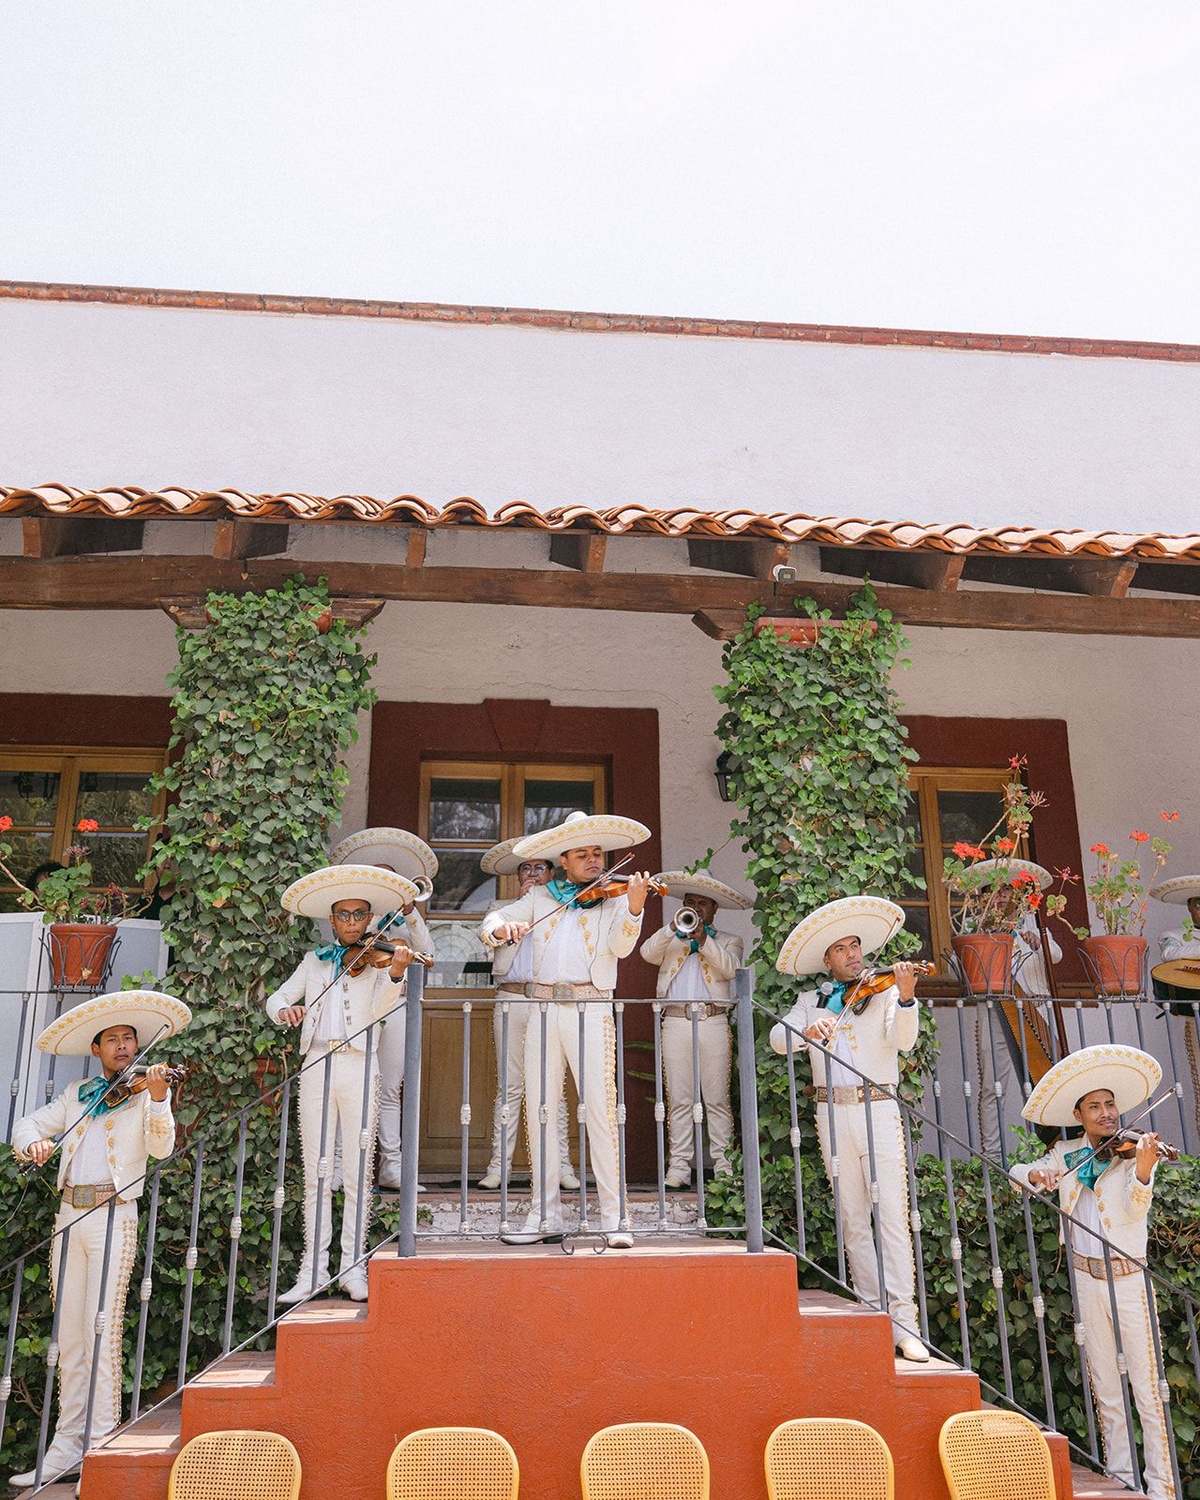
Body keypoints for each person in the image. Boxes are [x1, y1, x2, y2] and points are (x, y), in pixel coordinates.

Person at [9, 988, 191, 1488]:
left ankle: (101, 1440)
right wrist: (36, 1143)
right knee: (69, 1332)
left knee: (101, 1327)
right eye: (113, 1040)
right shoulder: (76, 1097)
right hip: (68, 1215)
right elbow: (25, 1124)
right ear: (98, 1050)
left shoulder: (147, 1092)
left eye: (129, 1038)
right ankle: (66, 1445)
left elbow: (161, 1147)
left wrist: (157, 1098)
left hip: (114, 1214)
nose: (124, 1047)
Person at [479, 811, 652, 1248]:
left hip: (590, 1008)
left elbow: (621, 947)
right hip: (540, 1008)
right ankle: (544, 1213)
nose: (594, 860)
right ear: (565, 860)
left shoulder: (613, 899)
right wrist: (503, 929)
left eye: (598, 853)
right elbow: (492, 923)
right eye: (584, 854)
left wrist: (634, 906)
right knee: (540, 1108)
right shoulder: (540, 897)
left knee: (600, 1109)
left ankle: (615, 1217)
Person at [1010, 1045, 1175, 1500]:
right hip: (1086, 1279)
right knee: (1105, 1384)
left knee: (1146, 1386)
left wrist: (1143, 1167)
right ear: (1079, 1114)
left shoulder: (1133, 1150)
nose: (1106, 1114)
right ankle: (1122, 1477)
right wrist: (1036, 1177)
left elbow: (1134, 1207)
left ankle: (1160, 1487)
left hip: (1128, 1280)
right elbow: (1018, 1170)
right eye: (1095, 1107)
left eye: (1110, 1105)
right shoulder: (1066, 1153)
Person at [769, 896, 928, 1362]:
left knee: (893, 1217)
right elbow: (778, 1041)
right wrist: (807, 1031)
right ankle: (872, 1310)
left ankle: (905, 1323)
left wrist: (905, 995)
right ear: (828, 959)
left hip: (878, 1108)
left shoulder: (882, 995)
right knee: (853, 1219)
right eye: (842, 949)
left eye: (856, 945)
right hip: (832, 1115)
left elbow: (903, 1041)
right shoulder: (808, 1001)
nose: (854, 955)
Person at [267, 863, 418, 1302]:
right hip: (316, 1063)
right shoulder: (314, 961)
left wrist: (393, 975)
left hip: (359, 1065)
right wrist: (284, 1013)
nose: (352, 923)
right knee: (316, 1170)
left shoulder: (379, 962)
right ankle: (311, 1272)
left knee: (355, 1171)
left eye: (359, 915)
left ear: (370, 919)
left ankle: (353, 1269)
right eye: (344, 915)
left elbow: (382, 1015)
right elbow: (278, 997)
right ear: (331, 920)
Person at [329, 828, 437, 1190]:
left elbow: (428, 950)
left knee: (389, 1089)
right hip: (360, 1009)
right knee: (353, 1085)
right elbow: (347, 950)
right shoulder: (358, 917)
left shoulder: (403, 920)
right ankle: (345, 1166)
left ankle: (392, 1168)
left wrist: (409, 913)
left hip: (398, 1005)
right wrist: (373, 923)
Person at [477, 837, 577, 1192]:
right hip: (510, 998)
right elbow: (491, 938)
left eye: (539, 868)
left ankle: (562, 1166)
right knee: (510, 1086)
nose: (532, 873)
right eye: (526, 868)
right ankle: (497, 1167)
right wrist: (523, 908)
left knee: (554, 1088)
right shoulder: (501, 906)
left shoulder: (562, 905)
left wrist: (543, 902)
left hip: (547, 1000)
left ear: (551, 873)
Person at [638, 872, 749, 1188]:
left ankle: (725, 1169)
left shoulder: (728, 940)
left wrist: (704, 940)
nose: (696, 909)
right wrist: (673, 928)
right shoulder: (670, 937)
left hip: (712, 1021)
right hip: (674, 1020)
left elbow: (730, 968)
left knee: (716, 1098)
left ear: (714, 909)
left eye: (702, 904)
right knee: (679, 1098)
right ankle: (679, 1168)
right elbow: (647, 953)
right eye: (690, 903)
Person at [965, 860, 1063, 1157]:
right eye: (995, 891)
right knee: (993, 1085)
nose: (1002, 897)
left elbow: (1056, 957)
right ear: (983, 898)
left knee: (1044, 1084)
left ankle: (1049, 1151)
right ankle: (992, 1157)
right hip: (996, 1009)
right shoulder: (976, 928)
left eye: (1008, 891)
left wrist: (1039, 943)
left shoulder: (1032, 923)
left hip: (1036, 1008)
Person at [1150, 874, 1200, 1139]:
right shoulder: (1173, 935)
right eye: (1199, 903)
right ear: (1190, 907)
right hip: (1196, 1017)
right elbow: (1171, 955)